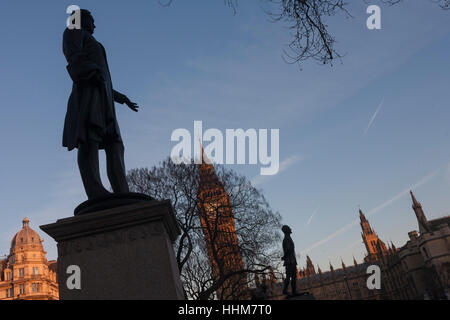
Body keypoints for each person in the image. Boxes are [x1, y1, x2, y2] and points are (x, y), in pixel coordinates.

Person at [62, 9, 139, 199]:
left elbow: (103, 77)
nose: (95, 25)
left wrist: (120, 97)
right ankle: (95, 190)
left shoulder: (92, 41)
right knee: (89, 138)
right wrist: (91, 73)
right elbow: (73, 56)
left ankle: (122, 191)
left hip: (103, 97)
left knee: (115, 143)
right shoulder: (73, 31)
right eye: (91, 21)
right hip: (88, 94)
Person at [281, 225, 298, 296]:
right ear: (286, 230)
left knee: (294, 276)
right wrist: (284, 257)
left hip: (291, 259)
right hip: (290, 260)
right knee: (289, 276)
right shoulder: (287, 239)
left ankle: (294, 291)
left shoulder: (288, 238)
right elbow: (288, 249)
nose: (291, 229)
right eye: (289, 228)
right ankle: (285, 290)